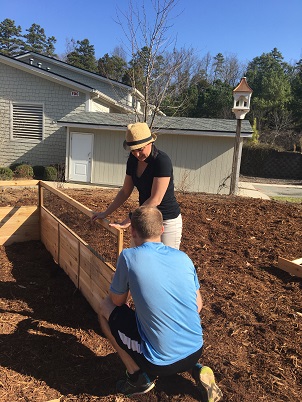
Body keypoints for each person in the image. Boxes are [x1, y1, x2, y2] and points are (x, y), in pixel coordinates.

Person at [98, 206, 223, 401]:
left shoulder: (129, 257)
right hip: (196, 349)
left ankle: (137, 377)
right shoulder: (183, 258)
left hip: (160, 363)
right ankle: (195, 368)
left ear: (132, 231)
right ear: (162, 229)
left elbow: (117, 301)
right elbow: (198, 304)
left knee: (104, 308)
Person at [92, 122, 182, 249]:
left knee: (166, 263)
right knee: (139, 259)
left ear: (150, 143)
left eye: (140, 149)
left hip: (166, 220)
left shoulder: (162, 161)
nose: (137, 155)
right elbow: (125, 191)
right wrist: (105, 213)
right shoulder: (133, 160)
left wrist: (130, 220)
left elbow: (155, 199)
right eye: (133, 151)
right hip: (144, 219)